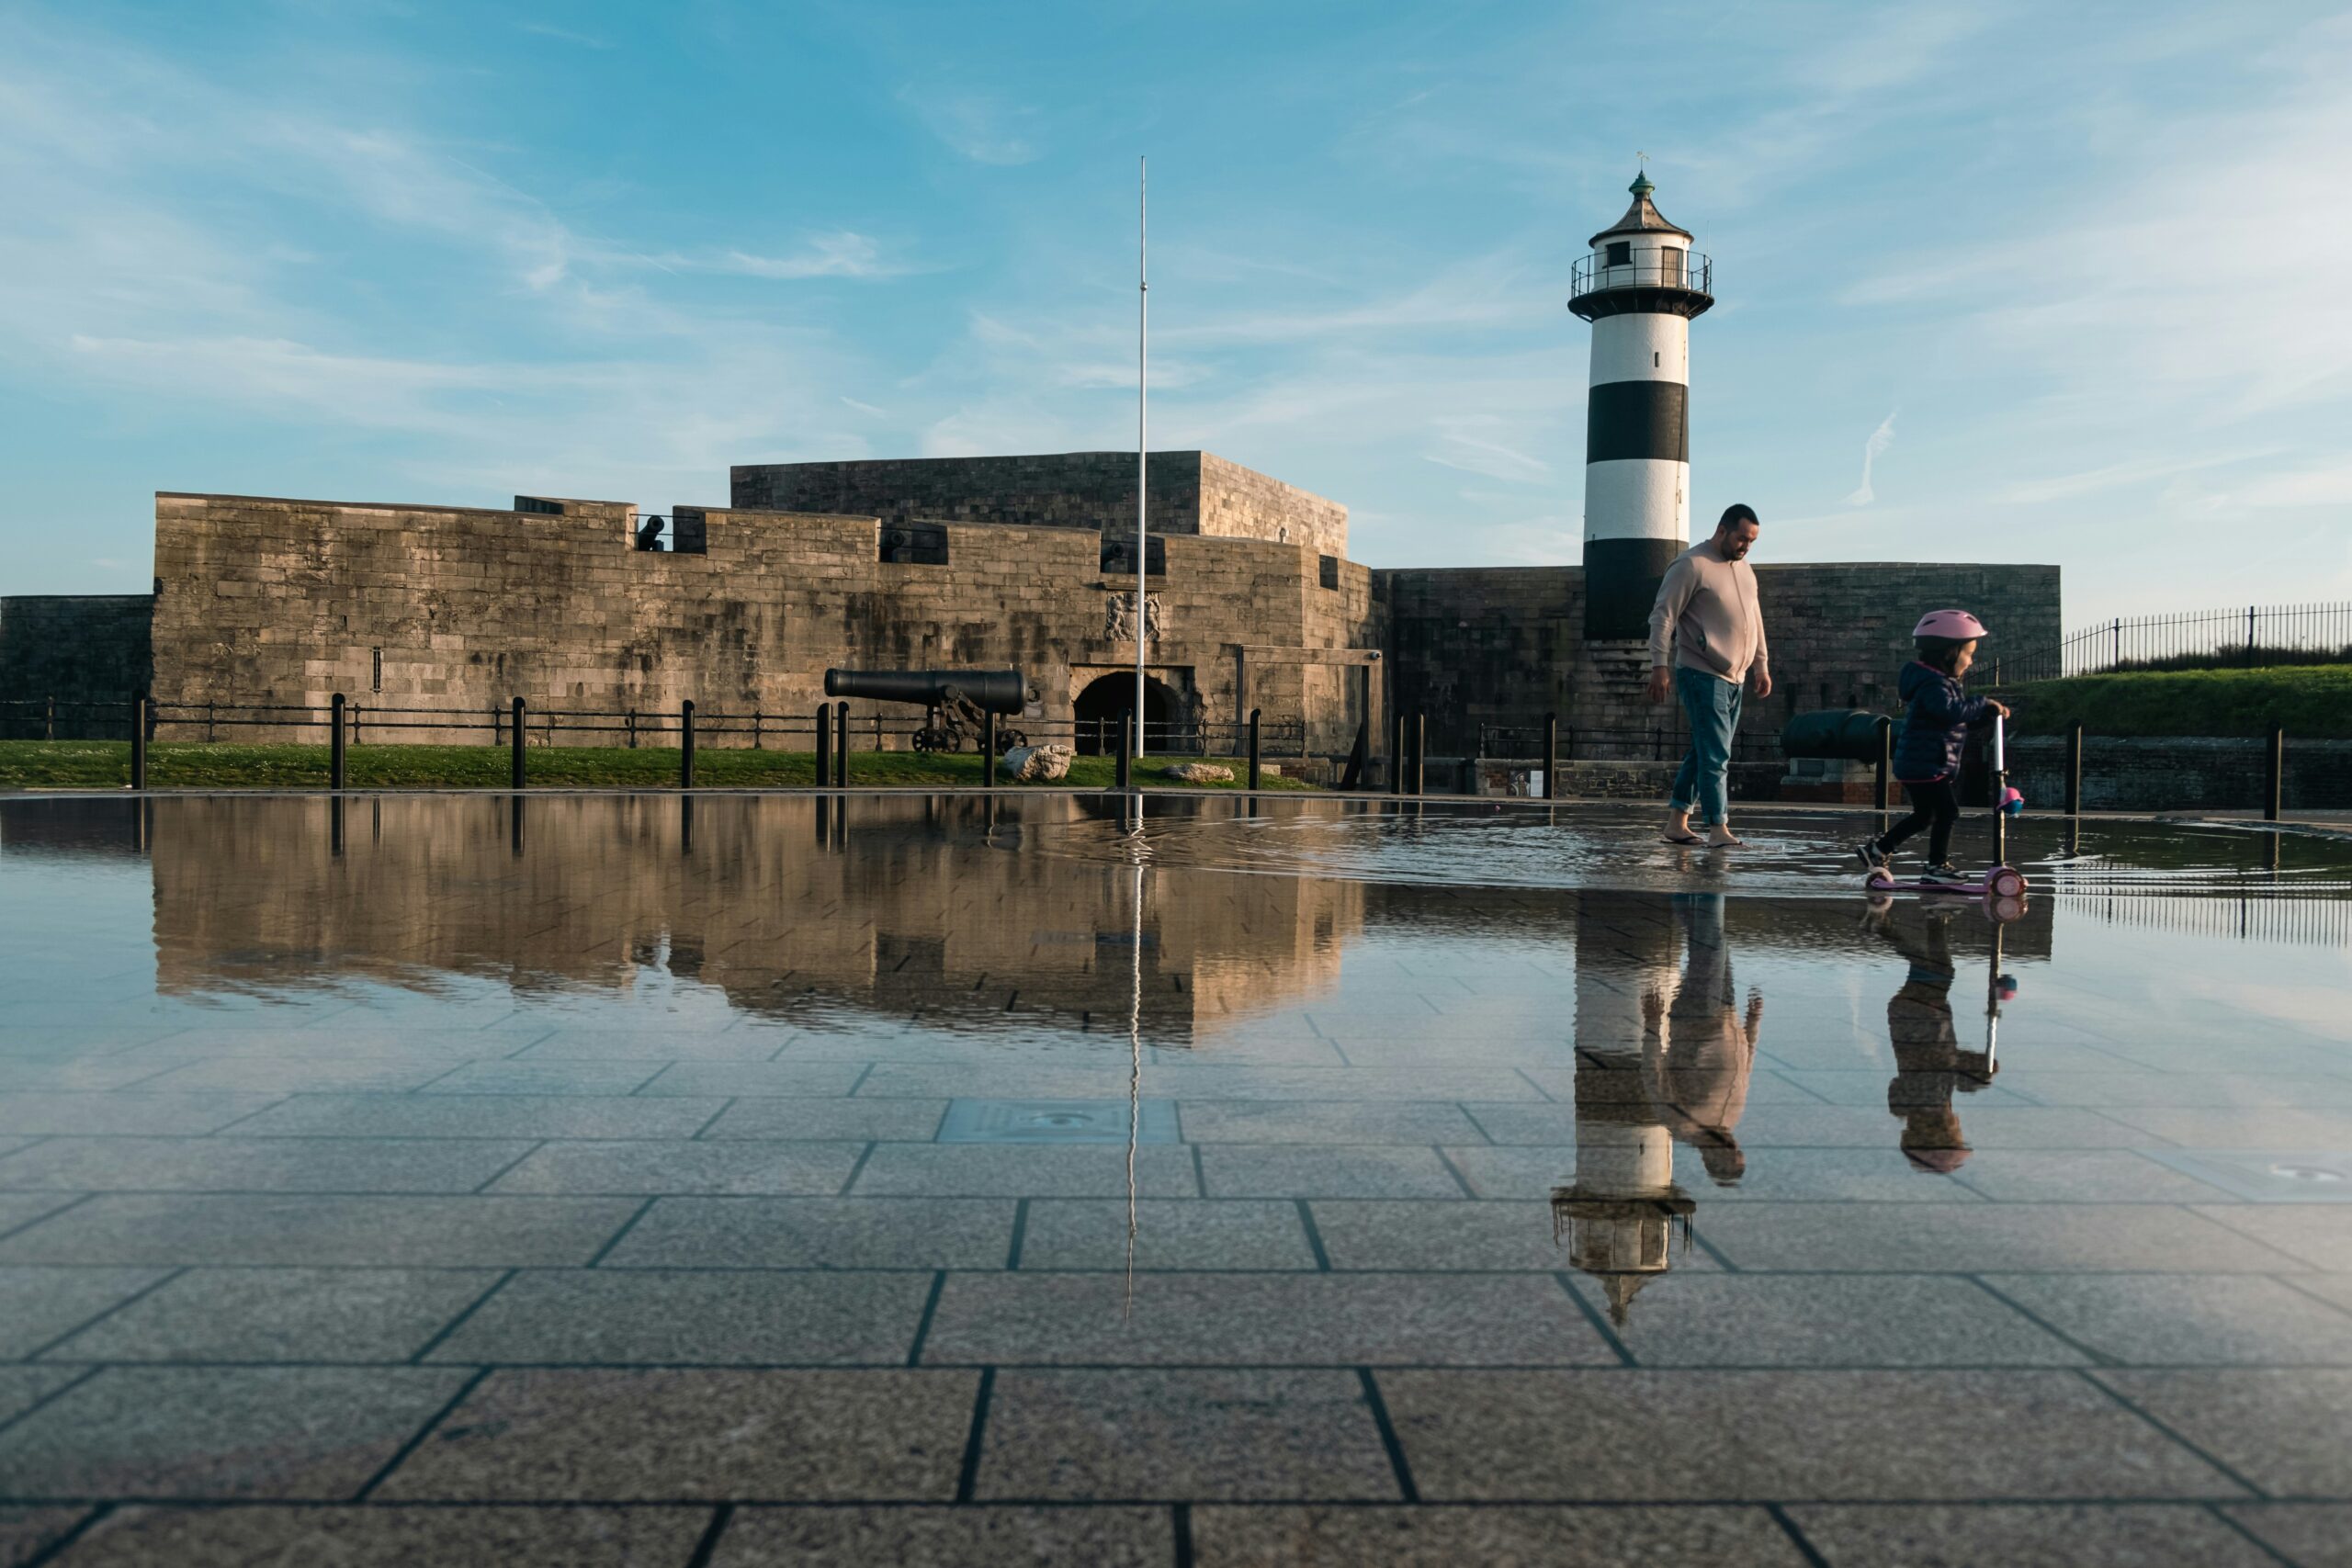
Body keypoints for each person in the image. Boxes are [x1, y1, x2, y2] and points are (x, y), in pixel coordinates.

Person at [1647, 503, 1772, 848]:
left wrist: (1761, 664)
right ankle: (1719, 828)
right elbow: (1663, 616)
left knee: (1704, 751)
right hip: (1701, 673)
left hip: (1737, 677)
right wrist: (1659, 664)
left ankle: (1677, 823)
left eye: (1752, 541)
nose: (1746, 546)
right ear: (1722, 530)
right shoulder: (1691, 565)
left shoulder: (1746, 571)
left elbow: (1755, 620)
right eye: (1742, 538)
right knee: (1717, 754)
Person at [1854, 610, 2010, 884]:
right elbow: (1949, 712)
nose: (1971, 661)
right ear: (1949, 653)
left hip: (1922, 761)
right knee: (1947, 812)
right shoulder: (1934, 685)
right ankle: (1936, 866)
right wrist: (1981, 703)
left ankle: (1877, 850)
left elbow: (1953, 723)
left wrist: (1983, 718)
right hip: (1925, 763)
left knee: (1925, 815)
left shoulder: (1939, 683)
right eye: (1969, 654)